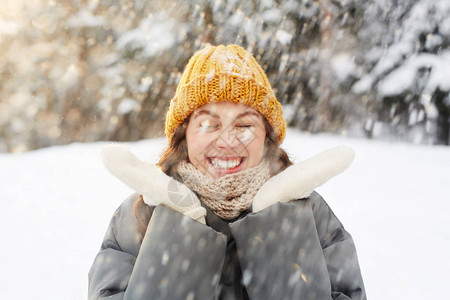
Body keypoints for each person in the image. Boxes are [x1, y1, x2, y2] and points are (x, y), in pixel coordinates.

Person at [88, 44, 366, 300]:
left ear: (266, 137)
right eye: (209, 124)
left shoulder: (310, 212)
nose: (227, 141)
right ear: (184, 136)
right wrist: (179, 230)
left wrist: (278, 224)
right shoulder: (139, 213)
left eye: (244, 126)